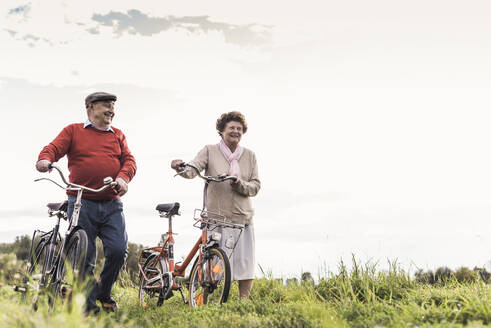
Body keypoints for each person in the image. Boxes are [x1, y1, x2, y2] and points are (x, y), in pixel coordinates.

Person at [36, 92, 136, 314]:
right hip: (81, 201)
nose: (111, 110)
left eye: (112, 106)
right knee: (86, 256)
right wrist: (45, 159)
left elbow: (129, 161)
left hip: (111, 202)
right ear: (91, 107)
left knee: (119, 250)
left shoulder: (117, 135)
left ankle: (103, 292)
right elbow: (53, 148)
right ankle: (89, 308)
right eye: (106, 106)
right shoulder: (74, 130)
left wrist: (123, 178)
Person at [171, 111, 260, 299]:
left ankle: (242, 302)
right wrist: (181, 168)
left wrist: (240, 184)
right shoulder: (210, 150)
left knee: (245, 263)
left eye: (239, 128)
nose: (236, 131)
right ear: (221, 131)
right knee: (211, 263)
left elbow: (255, 186)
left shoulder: (250, 156)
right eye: (232, 128)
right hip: (216, 217)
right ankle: (205, 299)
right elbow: (193, 169)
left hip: (241, 217)